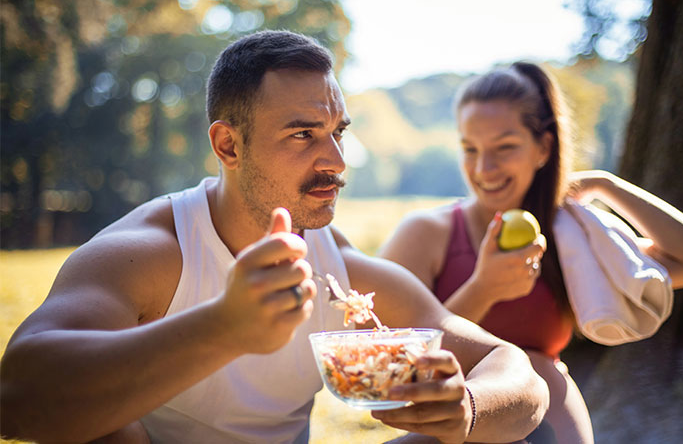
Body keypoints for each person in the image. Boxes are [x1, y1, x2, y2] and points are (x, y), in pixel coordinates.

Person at [0, 31, 550, 444]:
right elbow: (18, 398)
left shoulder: (338, 267)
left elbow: (516, 372)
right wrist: (224, 327)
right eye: (303, 134)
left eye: (337, 133)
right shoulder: (151, 252)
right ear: (229, 146)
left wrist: (467, 408)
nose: (335, 161)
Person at [378, 62, 683, 444]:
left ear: (543, 147)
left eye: (505, 147)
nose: (484, 168)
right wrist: (483, 289)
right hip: (456, 423)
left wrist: (605, 184)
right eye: (470, 148)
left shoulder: (571, 240)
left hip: (550, 420)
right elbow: (387, 364)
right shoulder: (427, 233)